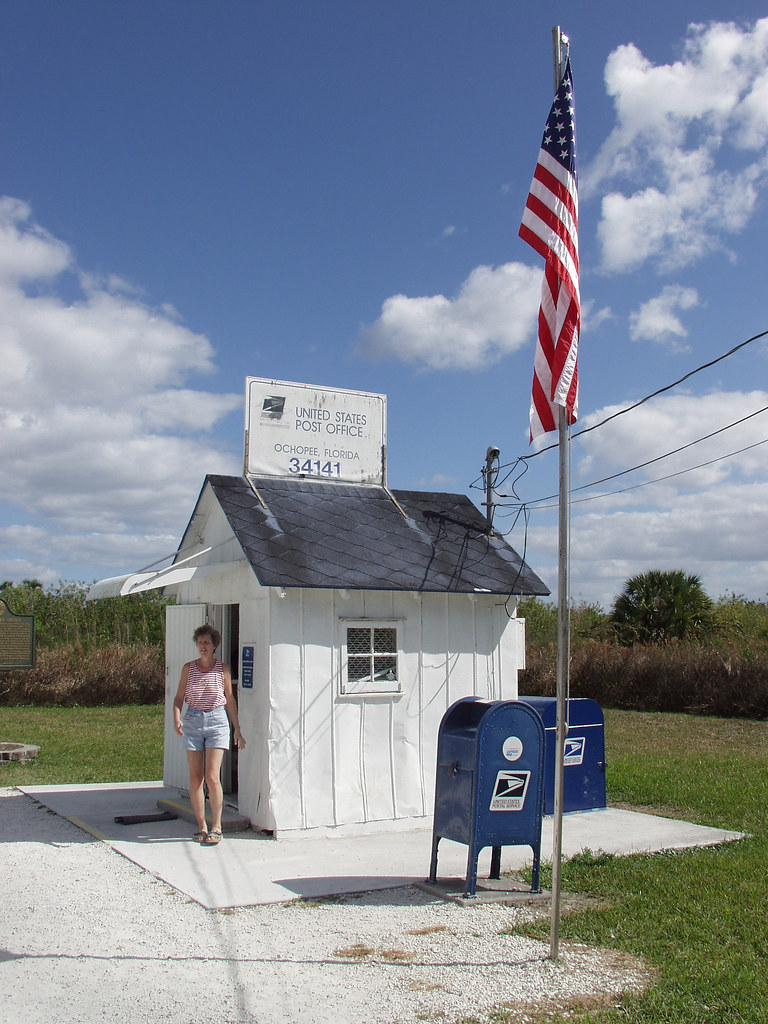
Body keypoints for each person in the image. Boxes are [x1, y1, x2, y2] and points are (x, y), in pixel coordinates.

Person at [172, 625, 245, 845]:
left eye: (207, 643)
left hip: (216, 721)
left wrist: (237, 727)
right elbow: (179, 697)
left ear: (214, 646)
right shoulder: (189, 668)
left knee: (213, 776)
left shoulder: (222, 669)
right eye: (200, 642)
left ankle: (217, 826)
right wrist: (177, 717)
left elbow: (229, 699)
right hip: (193, 720)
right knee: (196, 778)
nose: (203, 647)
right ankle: (202, 826)